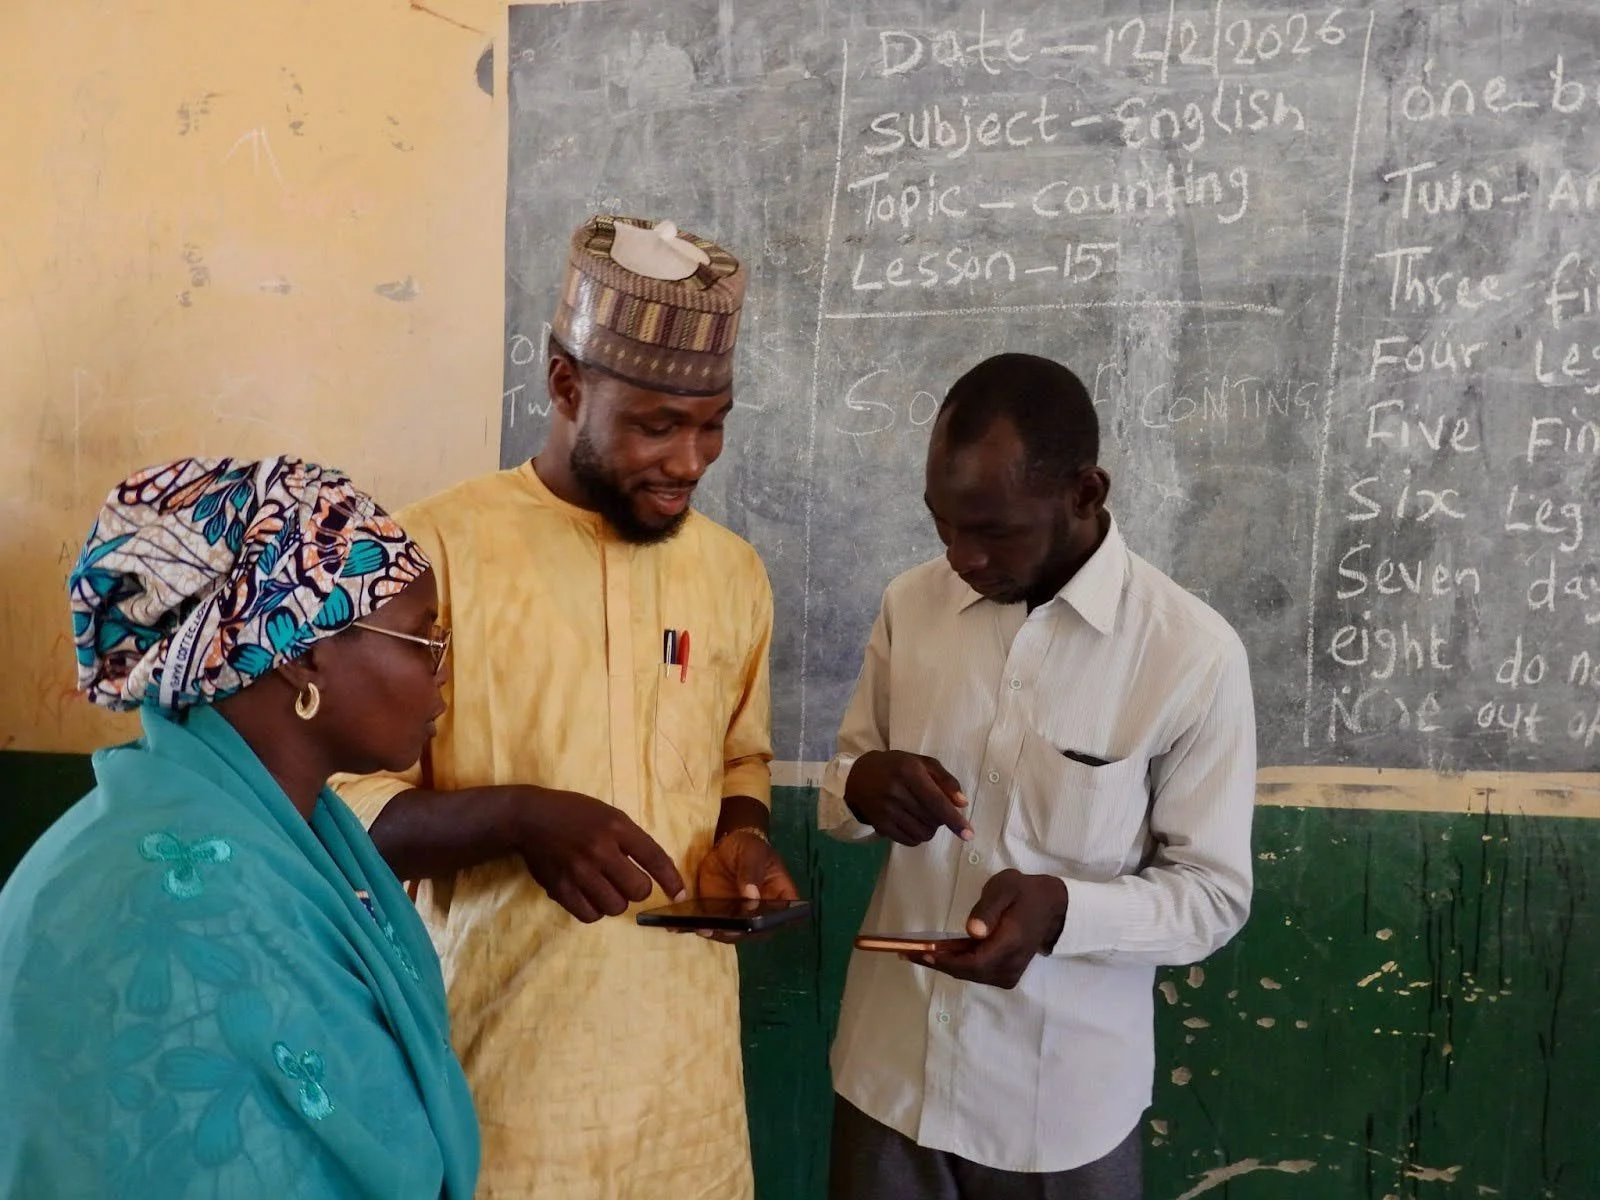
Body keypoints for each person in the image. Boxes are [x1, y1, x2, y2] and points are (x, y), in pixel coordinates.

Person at [336, 214, 796, 1199]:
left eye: (712, 423)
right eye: (656, 426)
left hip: (689, 1111)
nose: (690, 460)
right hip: (501, 1099)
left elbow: (738, 760)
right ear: (565, 386)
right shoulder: (429, 555)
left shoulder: (732, 573)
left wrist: (744, 838)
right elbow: (340, 807)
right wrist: (518, 817)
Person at [819, 353, 1257, 1200]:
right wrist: (862, 787)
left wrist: (1064, 911)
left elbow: (1212, 897)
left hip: (1058, 1110)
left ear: (1085, 494)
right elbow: (845, 788)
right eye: (942, 526)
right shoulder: (912, 606)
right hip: (888, 1077)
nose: (961, 557)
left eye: (994, 531)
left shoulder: (1191, 656)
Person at [0, 456, 479, 1199]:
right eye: (425, 639)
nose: (442, 670)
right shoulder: (187, 898)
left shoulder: (278, 841)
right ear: (307, 654)